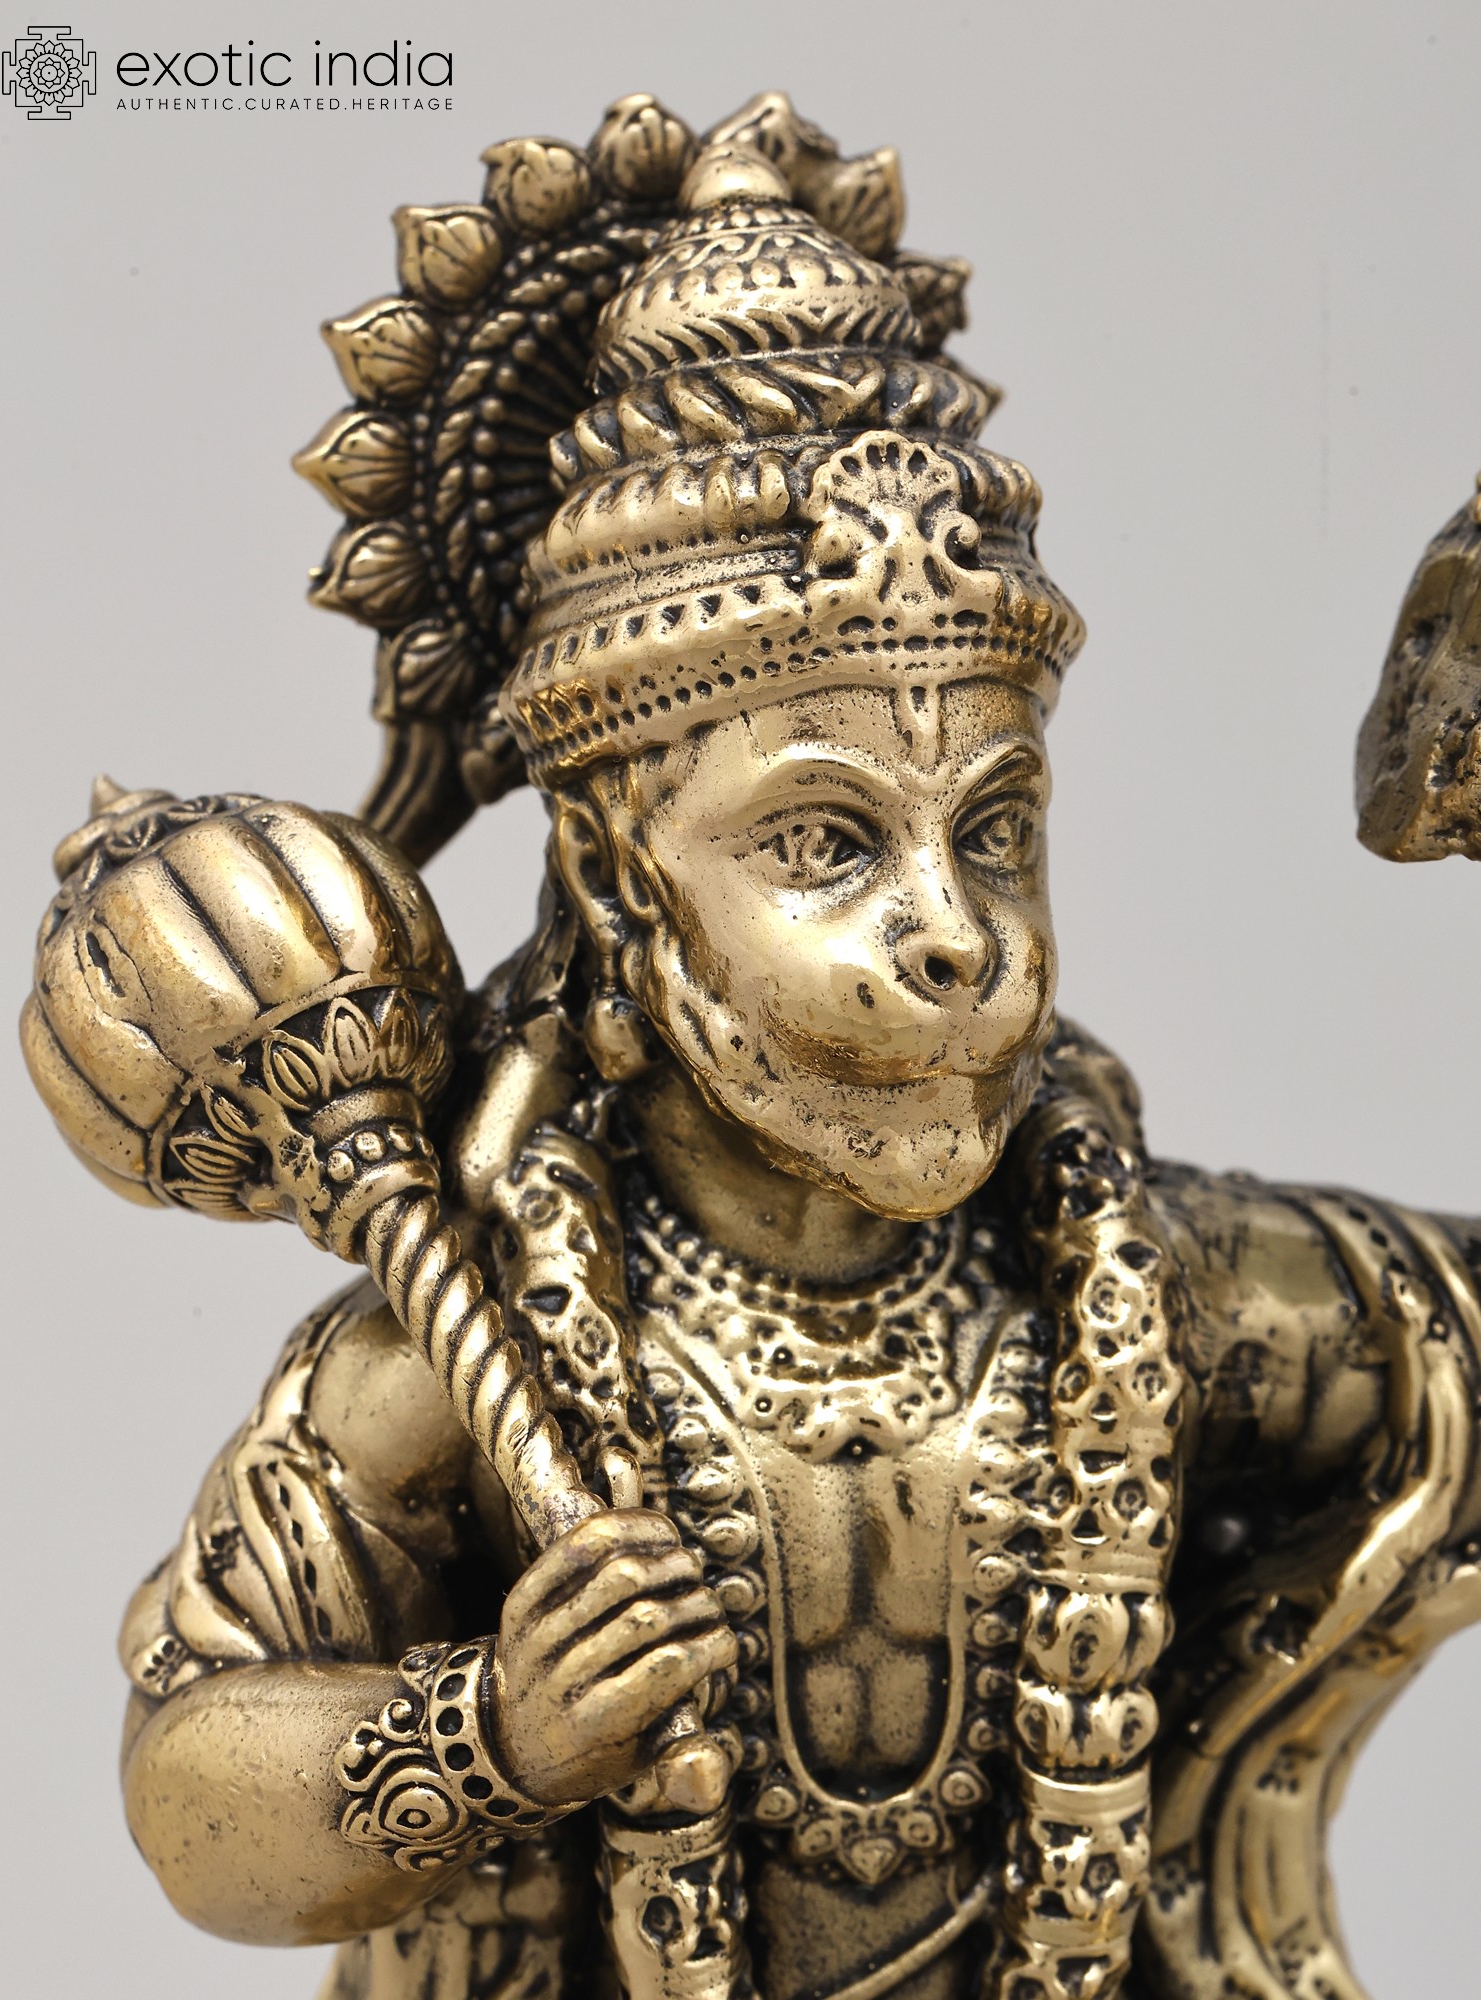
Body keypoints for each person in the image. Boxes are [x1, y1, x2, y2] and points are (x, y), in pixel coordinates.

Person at [93, 95, 1480, 2000]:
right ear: (613, 873)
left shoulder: (1155, 1295)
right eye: (828, 843)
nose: (954, 934)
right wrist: (489, 1733)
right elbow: (191, 1794)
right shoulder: (450, 1367)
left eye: (996, 831)